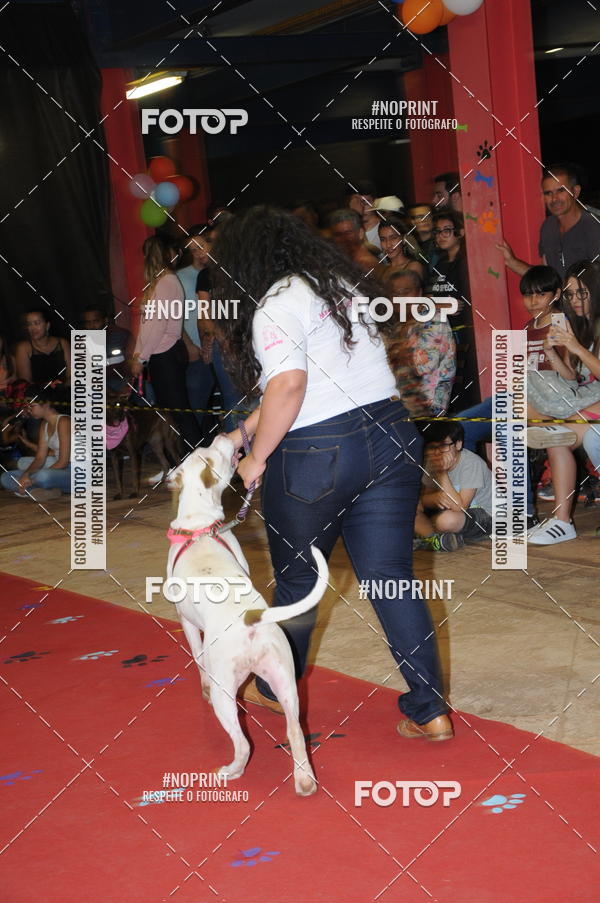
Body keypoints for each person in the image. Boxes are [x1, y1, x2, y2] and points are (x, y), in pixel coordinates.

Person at [213, 205, 453, 742]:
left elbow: (290, 389)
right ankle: (429, 709)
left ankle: (275, 689)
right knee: (391, 578)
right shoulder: (338, 284)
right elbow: (316, 383)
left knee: (300, 580)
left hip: (319, 453)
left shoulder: (273, 303)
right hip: (390, 436)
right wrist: (241, 435)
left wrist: (254, 460)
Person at [527, 260, 600, 544]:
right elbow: (571, 376)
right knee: (555, 436)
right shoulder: (578, 326)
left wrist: (575, 346)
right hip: (587, 400)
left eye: (582, 292)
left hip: (592, 402)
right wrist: (554, 355)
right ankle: (561, 521)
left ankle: (561, 521)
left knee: (557, 433)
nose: (575, 300)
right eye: (569, 294)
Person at [130, 235, 201, 453]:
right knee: (173, 411)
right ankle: (188, 458)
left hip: (166, 352)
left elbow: (159, 325)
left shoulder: (166, 282)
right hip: (161, 352)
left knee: (179, 410)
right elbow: (147, 324)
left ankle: (201, 458)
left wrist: (141, 357)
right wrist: (138, 353)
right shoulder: (159, 283)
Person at [497, 164, 600, 279]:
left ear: (575, 192)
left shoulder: (593, 226)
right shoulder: (548, 227)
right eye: (548, 193)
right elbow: (548, 280)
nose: (554, 198)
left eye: (561, 191)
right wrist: (511, 262)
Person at [382, 269, 455, 418]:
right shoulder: (400, 323)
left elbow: (422, 365)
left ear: (419, 293)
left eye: (405, 292)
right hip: (401, 403)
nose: (400, 298)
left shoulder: (434, 320)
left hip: (426, 407)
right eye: (394, 294)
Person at [415, 422, 493, 551]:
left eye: (444, 446)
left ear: (458, 444)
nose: (437, 453)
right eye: (432, 447)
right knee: (410, 511)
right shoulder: (431, 463)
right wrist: (435, 497)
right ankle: (437, 539)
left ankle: (431, 538)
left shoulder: (471, 463)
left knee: (446, 520)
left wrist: (442, 473)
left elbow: (461, 507)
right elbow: (424, 501)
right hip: (455, 515)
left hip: (488, 515)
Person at [428, 210, 477, 408]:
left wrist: (437, 305)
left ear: (461, 232)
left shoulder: (466, 263)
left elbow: (458, 306)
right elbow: (430, 300)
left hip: (463, 335)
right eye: (437, 232)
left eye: (447, 231)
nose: (441, 236)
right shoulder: (439, 264)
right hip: (441, 336)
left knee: (465, 389)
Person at [0, 384, 71, 500]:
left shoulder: (64, 421)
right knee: (6, 477)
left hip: (77, 473)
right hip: (58, 469)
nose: (29, 410)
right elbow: (39, 458)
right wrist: (26, 475)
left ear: (46, 404)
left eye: (31, 406)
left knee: (44, 475)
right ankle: (39, 491)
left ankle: (32, 488)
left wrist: (32, 479)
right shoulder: (44, 425)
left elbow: (63, 462)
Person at [177, 225, 216, 432]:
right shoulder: (181, 277)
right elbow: (172, 316)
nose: (199, 253)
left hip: (220, 346)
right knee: (196, 400)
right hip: (196, 350)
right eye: (193, 249)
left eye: (201, 246)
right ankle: (193, 449)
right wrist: (189, 344)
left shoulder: (220, 273)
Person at [81, 303, 133, 392]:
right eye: (88, 323)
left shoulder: (121, 335)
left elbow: (134, 365)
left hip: (124, 381)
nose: (92, 326)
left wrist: (128, 386)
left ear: (105, 320)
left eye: (96, 321)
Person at [15, 309, 70, 386]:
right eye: (29, 324)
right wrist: (49, 386)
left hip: (65, 391)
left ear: (47, 325)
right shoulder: (23, 348)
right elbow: (25, 383)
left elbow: (72, 374)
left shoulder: (63, 343)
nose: (32, 328)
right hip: (39, 394)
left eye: (36, 323)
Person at [375, 214, 424, 284]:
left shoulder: (413, 267)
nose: (388, 244)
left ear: (403, 239)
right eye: (383, 239)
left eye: (393, 238)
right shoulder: (382, 270)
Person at [328, 209, 380, 273]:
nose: (344, 239)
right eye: (338, 235)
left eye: (348, 233)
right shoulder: (338, 260)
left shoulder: (366, 264)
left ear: (360, 233)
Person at [406, 202, 439, 276]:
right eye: (420, 217)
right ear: (412, 221)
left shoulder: (441, 242)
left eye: (428, 216)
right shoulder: (406, 245)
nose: (425, 219)